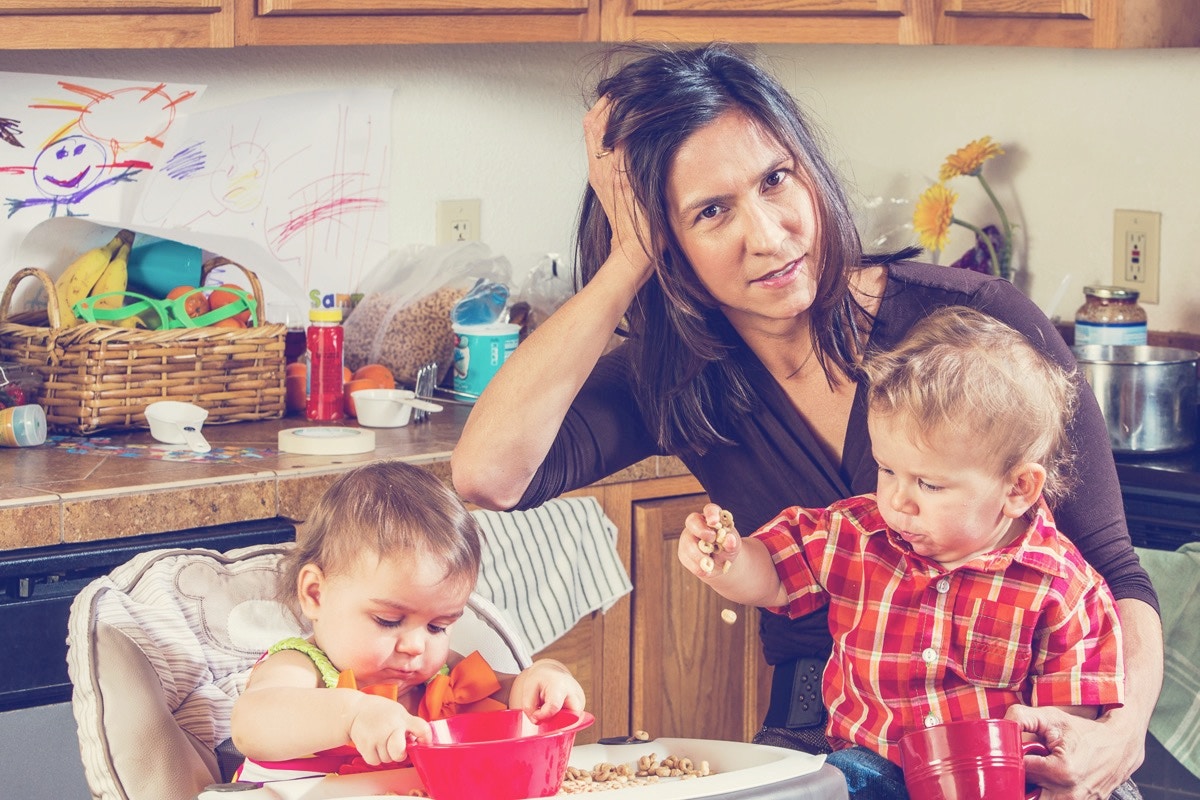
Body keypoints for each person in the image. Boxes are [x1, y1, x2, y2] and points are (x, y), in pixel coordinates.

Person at [449, 41, 1162, 800]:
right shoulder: (676, 376)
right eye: (711, 211)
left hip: (1029, 738)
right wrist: (627, 258)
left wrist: (1118, 738)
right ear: (667, 240)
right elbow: (487, 475)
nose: (769, 234)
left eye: (775, 180)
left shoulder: (977, 329)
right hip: (831, 731)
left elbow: (1113, 569)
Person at [678, 306, 1133, 798]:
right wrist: (728, 559)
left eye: (930, 484)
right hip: (867, 770)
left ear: (1018, 488)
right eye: (887, 470)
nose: (898, 500)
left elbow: (1068, 729)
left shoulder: (1065, 589)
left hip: (995, 784)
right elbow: (773, 574)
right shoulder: (857, 533)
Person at [230, 460, 585, 778]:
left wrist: (544, 677)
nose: (416, 646)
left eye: (438, 627)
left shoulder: (441, 676)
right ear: (315, 595)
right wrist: (352, 715)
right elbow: (251, 725)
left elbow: (512, 694)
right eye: (388, 620)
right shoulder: (299, 668)